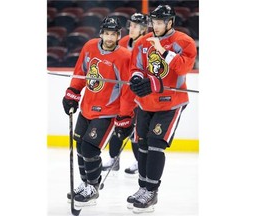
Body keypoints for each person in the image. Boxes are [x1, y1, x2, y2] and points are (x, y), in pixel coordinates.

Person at [126, 4, 197, 213]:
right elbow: (136, 67)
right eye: (153, 22)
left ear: (170, 22)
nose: (155, 26)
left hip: (170, 102)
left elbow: (183, 67)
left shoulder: (184, 42)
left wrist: (162, 50)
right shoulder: (142, 42)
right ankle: (142, 187)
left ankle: (151, 191)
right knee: (142, 144)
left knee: (156, 143)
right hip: (146, 102)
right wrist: (137, 79)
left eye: (159, 22)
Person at [62, 16, 136, 208]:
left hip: (108, 112)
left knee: (90, 149)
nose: (110, 38)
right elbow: (81, 72)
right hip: (87, 107)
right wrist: (73, 93)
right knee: (79, 147)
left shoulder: (124, 57)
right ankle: (85, 183)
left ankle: (93, 187)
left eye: (114, 34)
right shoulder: (90, 47)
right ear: (101, 33)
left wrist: (125, 115)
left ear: (118, 35)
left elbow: (126, 91)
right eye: (107, 33)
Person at [102, 12, 148, 175]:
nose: (131, 28)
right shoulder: (121, 42)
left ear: (143, 29)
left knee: (137, 131)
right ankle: (114, 159)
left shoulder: (147, 44)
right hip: (122, 94)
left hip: (139, 95)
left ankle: (138, 161)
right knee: (118, 125)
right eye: (131, 25)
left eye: (135, 26)